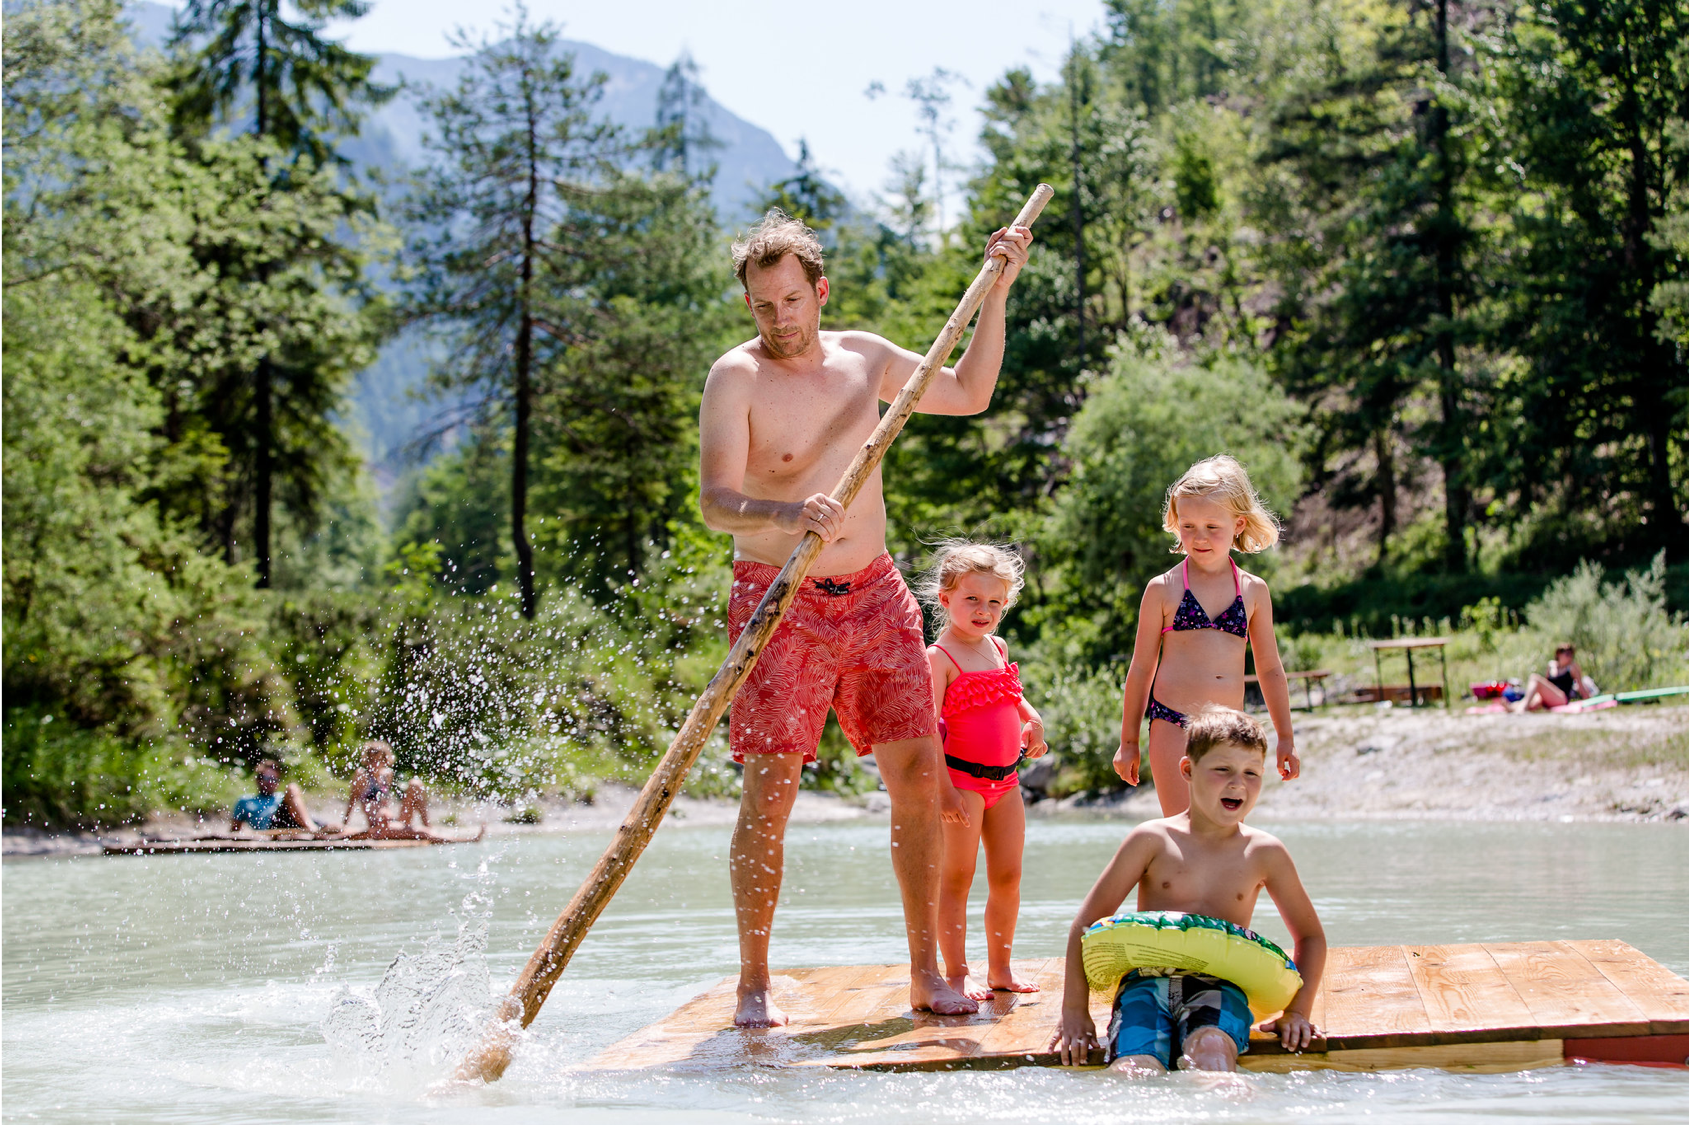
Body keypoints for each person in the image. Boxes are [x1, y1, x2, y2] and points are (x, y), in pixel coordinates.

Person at [698, 208, 1034, 1026]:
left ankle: (926, 971)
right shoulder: (734, 377)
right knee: (770, 792)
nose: (777, 319)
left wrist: (997, 294)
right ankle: (753, 983)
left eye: (789, 300)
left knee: (921, 778)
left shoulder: (866, 357)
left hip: (877, 593)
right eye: (761, 305)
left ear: (819, 290)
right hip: (779, 597)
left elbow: (969, 391)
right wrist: (783, 514)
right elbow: (715, 503)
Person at [1051, 707, 1326, 1076]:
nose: (1237, 784)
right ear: (1187, 770)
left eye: (1251, 773)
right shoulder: (1151, 840)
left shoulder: (1265, 853)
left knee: (1213, 1053)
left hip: (1221, 986)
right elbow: (1086, 925)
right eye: (1222, 770)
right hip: (1145, 982)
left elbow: (1310, 936)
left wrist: (1297, 1011)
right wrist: (1074, 1012)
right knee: (1134, 1068)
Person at [1116, 455, 1300, 815]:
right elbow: (1140, 669)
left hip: (1230, 729)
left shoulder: (1254, 591)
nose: (1198, 538)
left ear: (1238, 525)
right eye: (1188, 526)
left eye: (1212, 527)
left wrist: (1286, 738)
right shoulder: (1162, 589)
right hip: (1172, 723)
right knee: (1183, 830)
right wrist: (1128, 742)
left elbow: (1270, 669)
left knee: (1224, 833)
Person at [919, 542, 1048, 1001]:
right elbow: (930, 729)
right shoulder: (939, 657)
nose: (984, 610)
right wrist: (945, 791)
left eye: (995, 602)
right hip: (962, 783)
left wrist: (1031, 720)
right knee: (956, 878)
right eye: (972, 599)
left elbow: (1011, 695)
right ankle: (957, 973)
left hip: (1006, 781)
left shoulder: (997, 646)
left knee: (1008, 876)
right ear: (945, 599)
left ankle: (1001, 968)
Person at [341, 740, 440, 841]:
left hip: (393, 821)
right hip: (379, 826)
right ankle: (430, 834)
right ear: (366, 760)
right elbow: (352, 800)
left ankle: (428, 826)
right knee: (423, 833)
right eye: (371, 760)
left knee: (415, 785)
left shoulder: (387, 775)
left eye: (378, 760)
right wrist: (344, 825)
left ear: (385, 761)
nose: (374, 764)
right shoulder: (362, 776)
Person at [230, 758, 333, 833]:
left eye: (274, 780)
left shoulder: (282, 797)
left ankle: (319, 828)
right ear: (258, 780)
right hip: (272, 825)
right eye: (267, 778)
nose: (271, 783)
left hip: (294, 821)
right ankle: (313, 829)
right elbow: (234, 831)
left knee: (335, 828)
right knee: (292, 788)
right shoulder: (245, 801)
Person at [1513, 643, 1592, 712]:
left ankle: (1522, 708)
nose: (1570, 657)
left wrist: (1589, 701)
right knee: (1533, 702)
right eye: (1567, 654)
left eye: (1571, 655)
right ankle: (1513, 707)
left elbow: (1580, 686)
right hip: (1551, 697)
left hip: (1561, 698)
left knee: (1534, 678)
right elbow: (1546, 685)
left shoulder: (1572, 667)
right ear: (1559, 654)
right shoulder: (1551, 665)